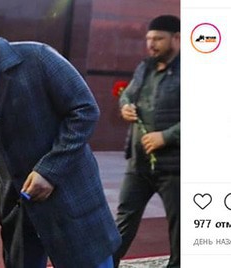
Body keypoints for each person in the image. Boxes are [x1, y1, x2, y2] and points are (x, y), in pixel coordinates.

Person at [0, 3, 120, 268]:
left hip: (72, 200)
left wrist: (50, 170)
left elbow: (84, 111)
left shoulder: (36, 58)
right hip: (19, 212)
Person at [113, 15, 180, 268]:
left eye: (158, 39)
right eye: (149, 39)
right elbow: (128, 93)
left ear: (176, 39)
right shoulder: (145, 67)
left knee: (180, 227)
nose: (151, 44)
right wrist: (125, 106)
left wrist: (166, 136)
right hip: (139, 163)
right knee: (123, 220)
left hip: (175, 166)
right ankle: (106, 264)